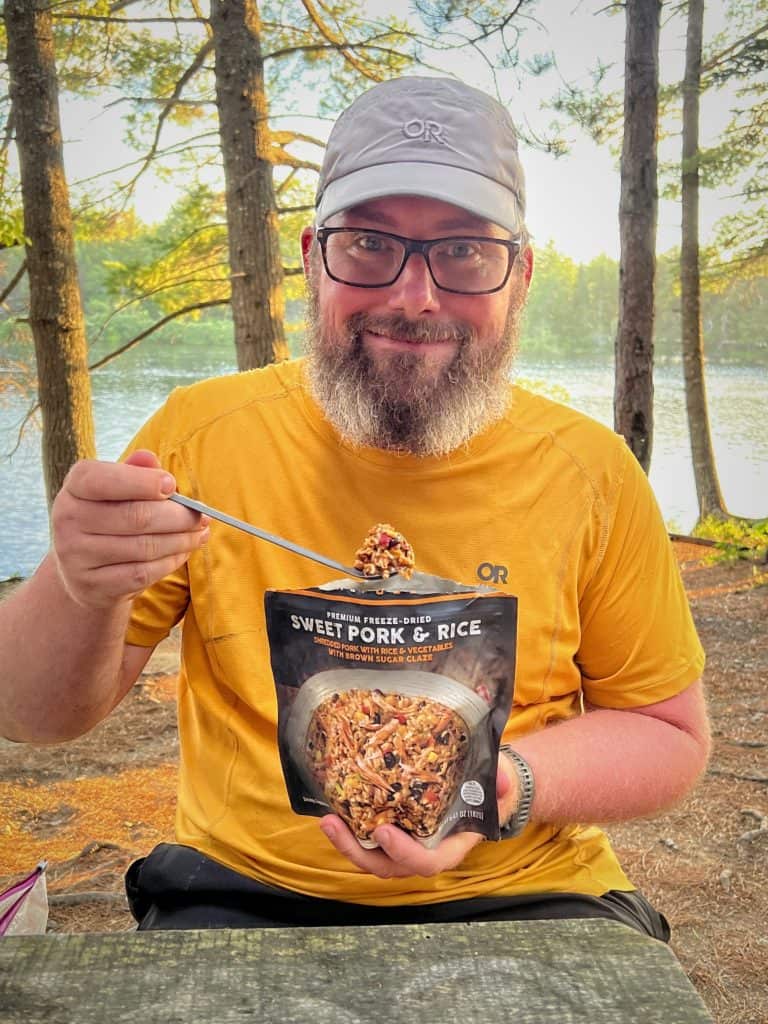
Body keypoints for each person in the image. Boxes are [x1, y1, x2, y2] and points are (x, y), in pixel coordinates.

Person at [0, 76, 709, 937]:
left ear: (519, 275)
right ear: (310, 258)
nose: (414, 297)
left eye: (463, 251)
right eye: (370, 243)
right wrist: (82, 584)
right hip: (244, 892)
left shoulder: (589, 471)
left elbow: (670, 734)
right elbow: (34, 716)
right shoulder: (201, 440)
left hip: (532, 893)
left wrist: (496, 788)